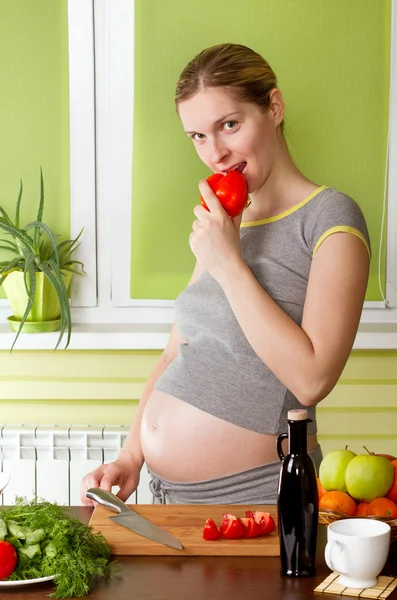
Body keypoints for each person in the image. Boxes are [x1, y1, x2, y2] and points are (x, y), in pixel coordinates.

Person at [81, 43, 370, 506]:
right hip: (169, 497)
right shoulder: (226, 220)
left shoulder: (329, 218)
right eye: (197, 136)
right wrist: (131, 454)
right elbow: (176, 352)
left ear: (273, 108)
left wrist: (230, 263)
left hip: (257, 498)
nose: (215, 152)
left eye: (228, 125)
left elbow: (313, 379)